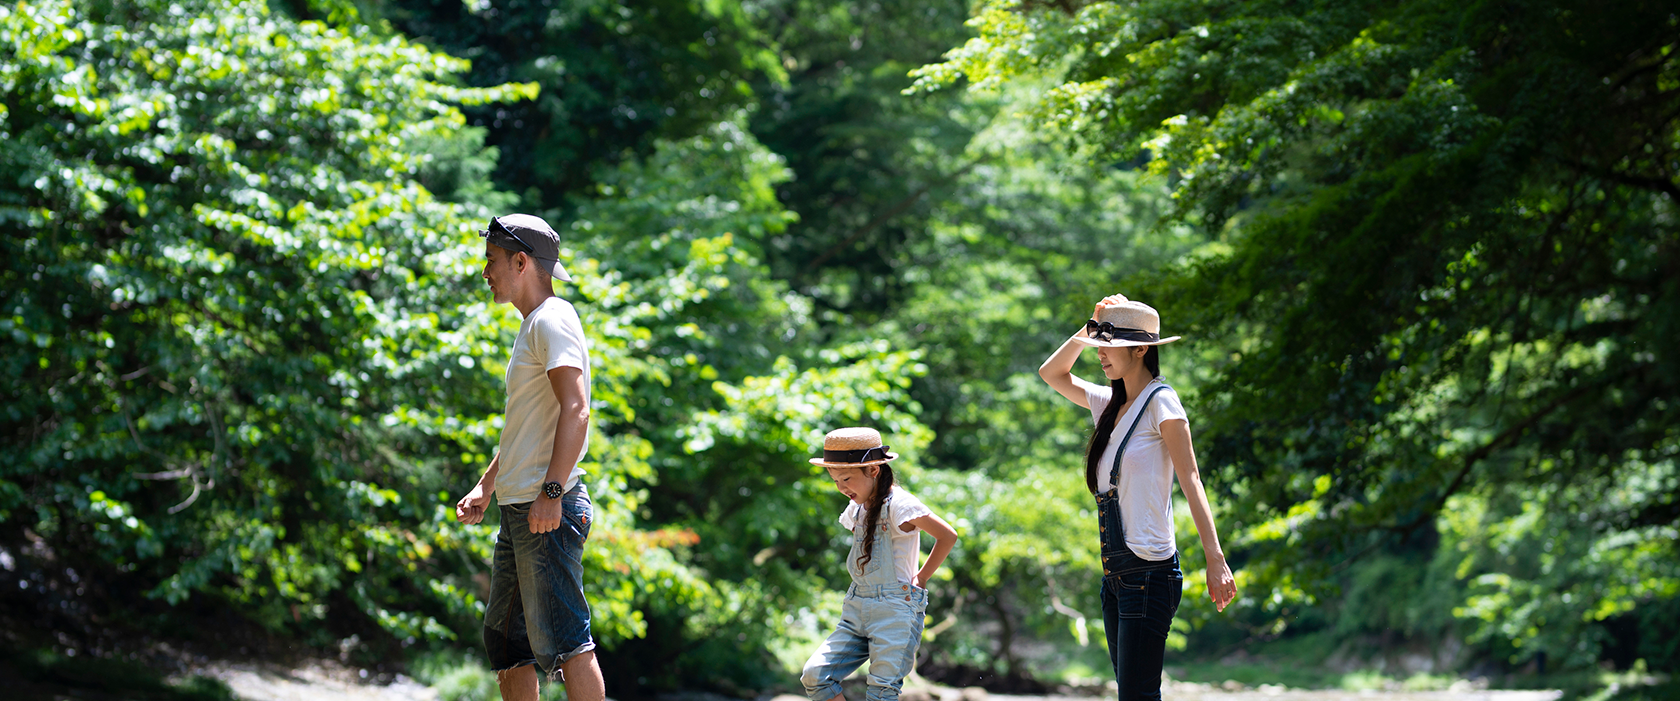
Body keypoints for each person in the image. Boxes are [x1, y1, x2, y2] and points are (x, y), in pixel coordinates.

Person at [1037, 295, 1238, 701]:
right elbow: (1052, 372)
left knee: (1137, 697)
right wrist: (1091, 326)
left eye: (1109, 347)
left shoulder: (1162, 402)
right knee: (1134, 695)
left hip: (1150, 573)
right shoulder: (1109, 405)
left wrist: (1215, 560)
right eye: (1099, 347)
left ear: (1142, 348)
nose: (1100, 355)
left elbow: (1191, 479)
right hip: (1115, 576)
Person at [454, 214, 605, 701]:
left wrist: (552, 491)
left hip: (546, 509)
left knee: (567, 645)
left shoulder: (553, 318)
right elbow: (525, 426)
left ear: (522, 262)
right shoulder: (532, 326)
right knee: (507, 645)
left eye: (492, 261)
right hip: (518, 505)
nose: (486, 272)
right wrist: (487, 484)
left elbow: (576, 409)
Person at [801, 427, 959, 701]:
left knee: (882, 692)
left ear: (873, 470)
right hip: (857, 607)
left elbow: (947, 535)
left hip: (895, 609)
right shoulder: (857, 508)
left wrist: (920, 579)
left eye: (847, 479)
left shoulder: (901, 504)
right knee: (816, 675)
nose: (842, 488)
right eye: (836, 481)